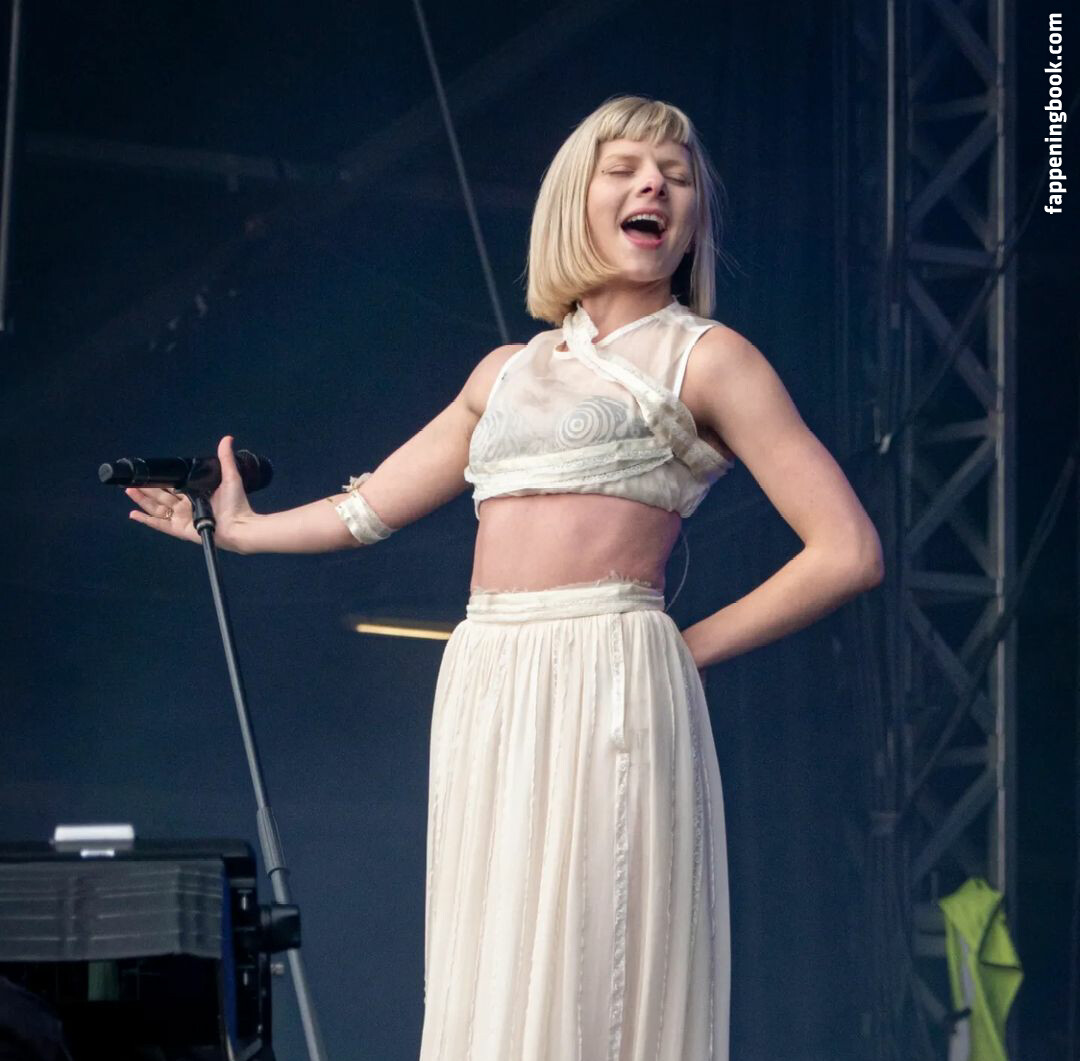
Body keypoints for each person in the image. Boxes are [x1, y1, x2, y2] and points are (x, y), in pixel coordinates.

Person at [125, 95, 883, 1060]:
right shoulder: (504, 372)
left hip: (612, 665)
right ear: (575, 198)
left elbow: (846, 549)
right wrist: (240, 531)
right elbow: (369, 509)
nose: (654, 188)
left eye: (677, 177)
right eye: (626, 170)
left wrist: (683, 649)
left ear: (693, 217)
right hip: (487, 670)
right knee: (496, 949)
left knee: (595, 946)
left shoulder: (709, 358)